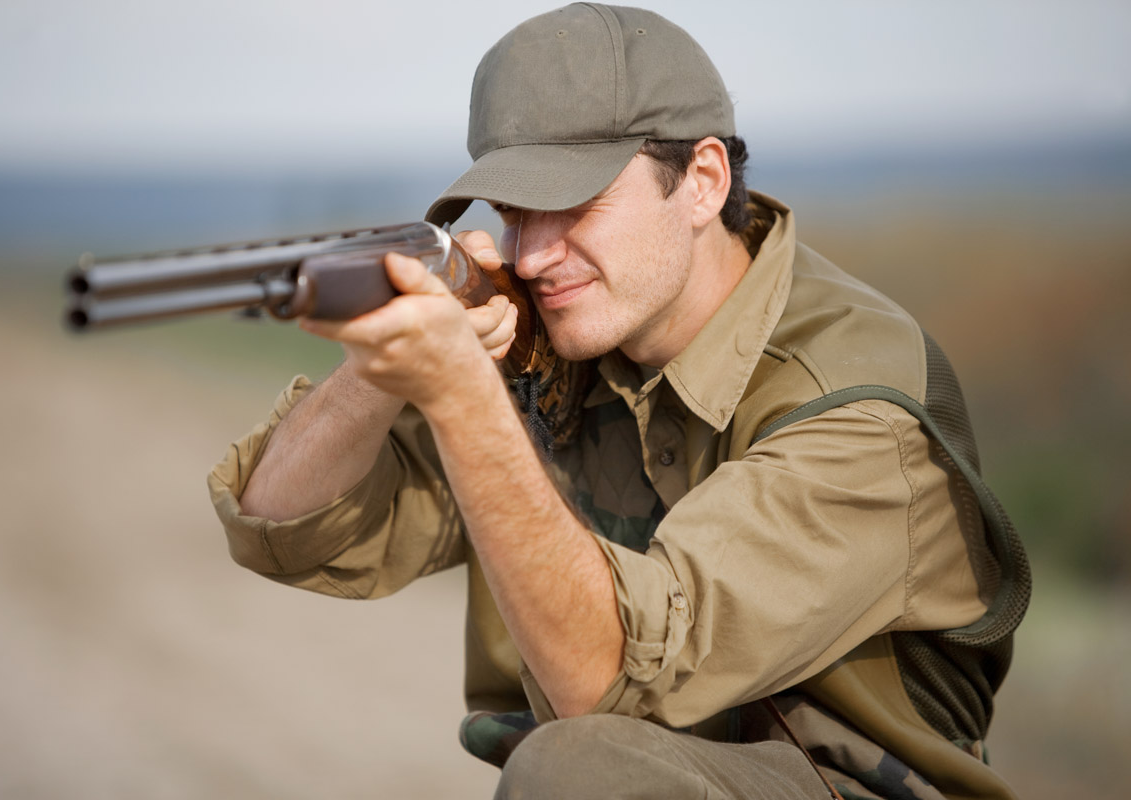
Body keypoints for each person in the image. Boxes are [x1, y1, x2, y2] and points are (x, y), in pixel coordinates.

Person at [208, 4, 1030, 798]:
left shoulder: (852, 404)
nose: (531, 256)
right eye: (513, 212)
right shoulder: (574, 340)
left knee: (578, 769)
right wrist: (381, 365)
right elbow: (280, 525)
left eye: (574, 205)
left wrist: (464, 396)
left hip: (841, 787)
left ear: (703, 181)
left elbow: (606, 683)